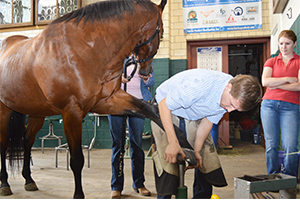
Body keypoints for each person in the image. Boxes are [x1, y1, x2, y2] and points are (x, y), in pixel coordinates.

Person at [152, 68, 262, 198]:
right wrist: (172, 142)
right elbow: (165, 105)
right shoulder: (198, 86)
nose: (229, 110)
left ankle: (201, 196)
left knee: (207, 160)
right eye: (231, 104)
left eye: (235, 109)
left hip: (193, 111)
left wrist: (197, 151)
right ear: (228, 87)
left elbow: (207, 123)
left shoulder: (230, 95)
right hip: (164, 107)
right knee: (169, 162)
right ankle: (164, 196)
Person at [107, 54, 155, 199]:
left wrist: (147, 79)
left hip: (138, 103)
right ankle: (116, 186)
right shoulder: (116, 55)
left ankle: (139, 184)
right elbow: (104, 77)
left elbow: (151, 81)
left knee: (137, 145)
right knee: (118, 145)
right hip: (117, 102)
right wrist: (117, 79)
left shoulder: (145, 57)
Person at [261, 30, 300, 177]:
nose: (284, 47)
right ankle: (274, 177)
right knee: (271, 145)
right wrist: (288, 78)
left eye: (288, 44)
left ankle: (289, 179)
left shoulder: (299, 61)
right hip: (269, 105)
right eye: (281, 43)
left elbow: (299, 86)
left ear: (294, 44)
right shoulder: (271, 61)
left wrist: (275, 84)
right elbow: (265, 82)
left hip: (291, 106)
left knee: (290, 145)